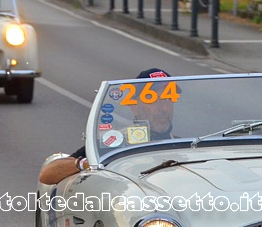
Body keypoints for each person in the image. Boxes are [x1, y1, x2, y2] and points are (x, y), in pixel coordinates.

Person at [38, 68, 175, 185]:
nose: (163, 108)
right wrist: (86, 163)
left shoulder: (186, 144)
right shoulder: (115, 142)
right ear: (134, 107)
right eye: (153, 99)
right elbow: (48, 175)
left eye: (169, 99)